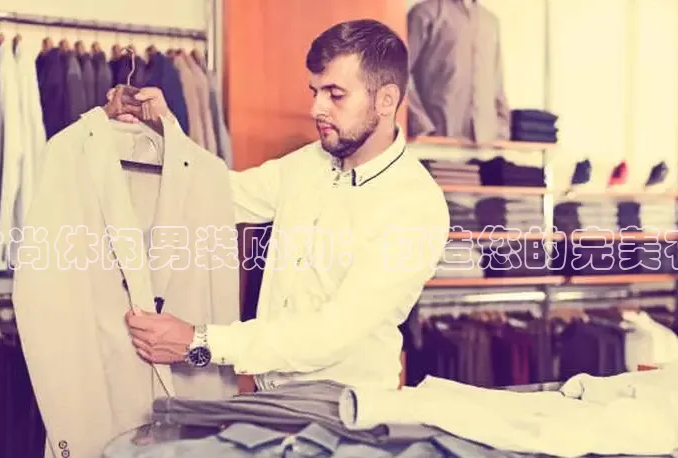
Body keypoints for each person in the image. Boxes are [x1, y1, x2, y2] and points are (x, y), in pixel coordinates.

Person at [119, 19, 449, 391]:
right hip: (270, 399)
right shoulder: (309, 162)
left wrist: (200, 342)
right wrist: (163, 132)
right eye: (315, 92)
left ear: (386, 100)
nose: (316, 109)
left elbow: (332, 332)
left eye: (335, 95)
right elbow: (222, 195)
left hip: (343, 412)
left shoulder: (415, 206)